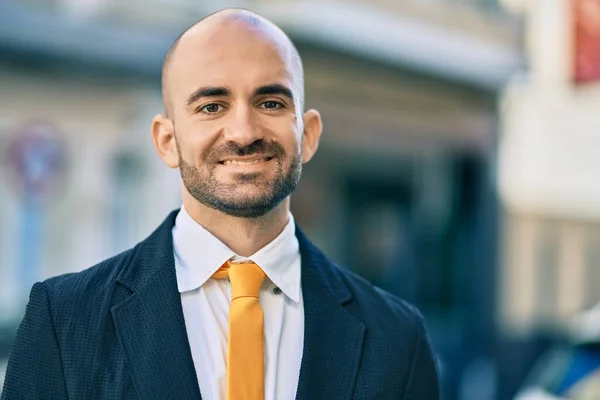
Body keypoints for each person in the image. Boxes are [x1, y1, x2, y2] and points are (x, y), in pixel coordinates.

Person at [2, 8, 439, 400]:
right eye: (212, 106)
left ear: (307, 135)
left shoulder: (396, 338)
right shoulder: (64, 322)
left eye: (270, 102)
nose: (244, 131)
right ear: (167, 141)